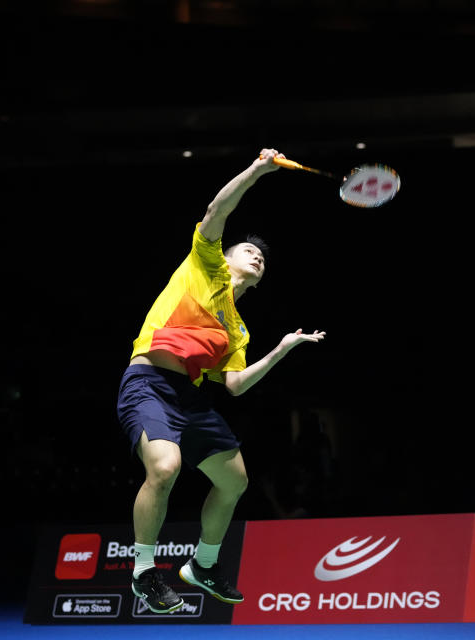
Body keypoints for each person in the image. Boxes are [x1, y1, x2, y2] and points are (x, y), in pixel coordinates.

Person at [117, 148, 326, 613]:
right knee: (165, 468)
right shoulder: (204, 264)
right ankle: (144, 571)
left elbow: (234, 386)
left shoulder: (238, 328)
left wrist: (282, 348)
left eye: (262, 258)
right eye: (248, 250)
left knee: (234, 482)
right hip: (148, 383)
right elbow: (218, 210)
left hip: (188, 398)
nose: (257, 256)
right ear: (226, 257)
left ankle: (203, 565)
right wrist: (257, 170)